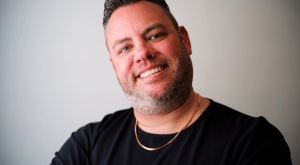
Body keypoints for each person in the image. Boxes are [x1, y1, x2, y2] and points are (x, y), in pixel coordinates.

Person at [51, 0, 292, 164]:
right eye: (125, 47)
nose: (142, 53)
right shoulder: (86, 146)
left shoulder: (253, 143)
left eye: (155, 35)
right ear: (115, 66)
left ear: (184, 41)